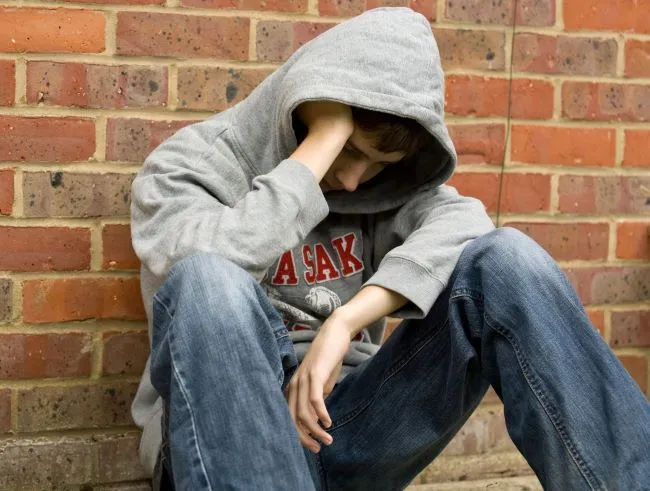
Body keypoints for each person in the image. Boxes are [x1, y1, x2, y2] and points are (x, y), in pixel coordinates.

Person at [129, 7, 650, 490]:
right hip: (221, 445)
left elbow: (467, 222)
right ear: (302, 108)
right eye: (350, 150)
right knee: (209, 278)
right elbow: (196, 275)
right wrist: (321, 145)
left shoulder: (386, 192)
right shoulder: (186, 168)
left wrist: (346, 321)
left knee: (507, 257)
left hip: (347, 429)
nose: (356, 181)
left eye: (376, 164)